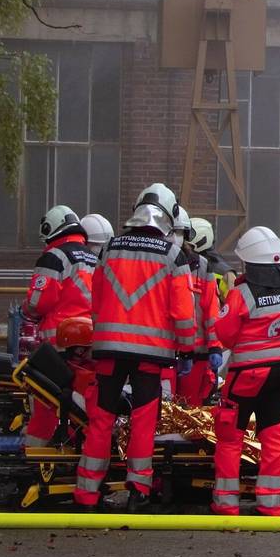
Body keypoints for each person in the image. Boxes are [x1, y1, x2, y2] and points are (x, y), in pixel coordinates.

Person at [76, 193, 196, 511]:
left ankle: (87, 492)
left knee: (101, 417)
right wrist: (187, 348)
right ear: (168, 219)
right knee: (143, 420)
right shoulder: (174, 255)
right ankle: (139, 490)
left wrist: (103, 336)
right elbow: (183, 313)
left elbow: (96, 298)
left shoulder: (109, 248)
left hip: (109, 351)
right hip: (150, 355)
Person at [209, 226, 280, 516]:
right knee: (273, 434)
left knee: (230, 434)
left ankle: (226, 503)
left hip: (247, 375)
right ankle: (271, 504)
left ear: (247, 262)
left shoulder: (241, 294)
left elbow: (224, 334)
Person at [20, 205, 95, 448]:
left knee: (46, 396)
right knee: (81, 398)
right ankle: (76, 443)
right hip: (91, 342)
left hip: (58, 343)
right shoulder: (93, 257)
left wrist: (26, 309)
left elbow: (39, 301)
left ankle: (36, 449)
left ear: (49, 230)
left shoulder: (54, 257)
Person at [179, 217, 223, 404]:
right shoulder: (160, 262)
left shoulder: (202, 266)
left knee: (190, 410)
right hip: (164, 352)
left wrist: (214, 346)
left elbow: (212, 309)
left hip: (197, 354)